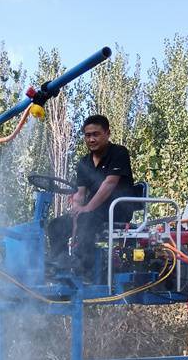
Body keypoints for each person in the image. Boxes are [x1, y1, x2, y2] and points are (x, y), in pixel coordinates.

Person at [46, 114, 136, 277]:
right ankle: (59, 262)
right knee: (55, 225)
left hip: (117, 208)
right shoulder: (84, 162)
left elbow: (109, 184)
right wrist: (76, 208)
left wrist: (86, 208)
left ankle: (82, 267)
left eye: (96, 134)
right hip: (93, 210)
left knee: (86, 219)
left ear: (107, 134)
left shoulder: (119, 153)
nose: (91, 139)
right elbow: (80, 193)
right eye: (88, 135)